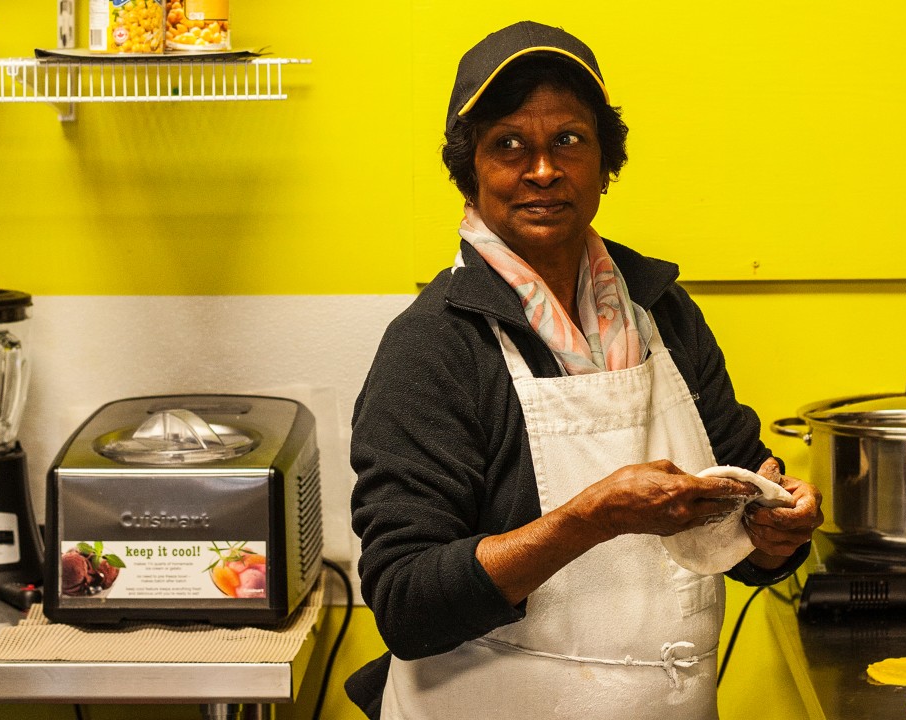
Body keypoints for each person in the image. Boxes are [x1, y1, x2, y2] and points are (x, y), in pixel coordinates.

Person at [346, 20, 824, 719]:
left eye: (568, 140)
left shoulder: (662, 312)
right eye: (509, 145)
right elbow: (407, 604)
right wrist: (590, 519)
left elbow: (741, 506)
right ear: (471, 170)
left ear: (605, 163)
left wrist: (775, 529)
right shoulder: (435, 346)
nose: (543, 170)